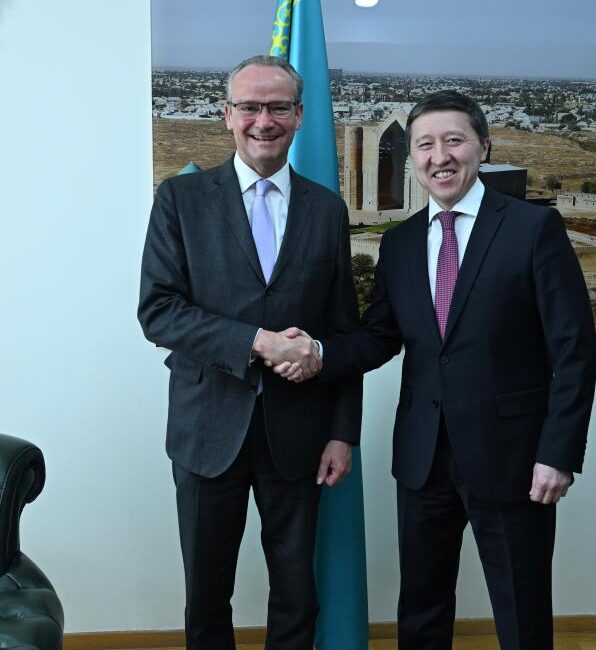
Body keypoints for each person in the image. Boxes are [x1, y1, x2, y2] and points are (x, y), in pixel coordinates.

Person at [274, 90, 596, 649]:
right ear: (412, 158)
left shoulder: (533, 229)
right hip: (423, 459)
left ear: (483, 147)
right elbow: (380, 336)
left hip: (514, 459)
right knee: (421, 610)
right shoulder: (400, 243)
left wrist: (558, 453)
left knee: (520, 611)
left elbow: (574, 350)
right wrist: (318, 352)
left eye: (454, 141)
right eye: (425, 144)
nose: (439, 156)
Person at [137, 55, 361, 650]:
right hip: (207, 430)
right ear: (227, 115)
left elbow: (342, 331)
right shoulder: (180, 199)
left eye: (278, 107)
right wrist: (258, 342)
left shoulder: (327, 209)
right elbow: (158, 311)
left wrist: (343, 432)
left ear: (300, 116)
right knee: (207, 592)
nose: (264, 120)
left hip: (301, 433)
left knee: (297, 592)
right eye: (250, 107)